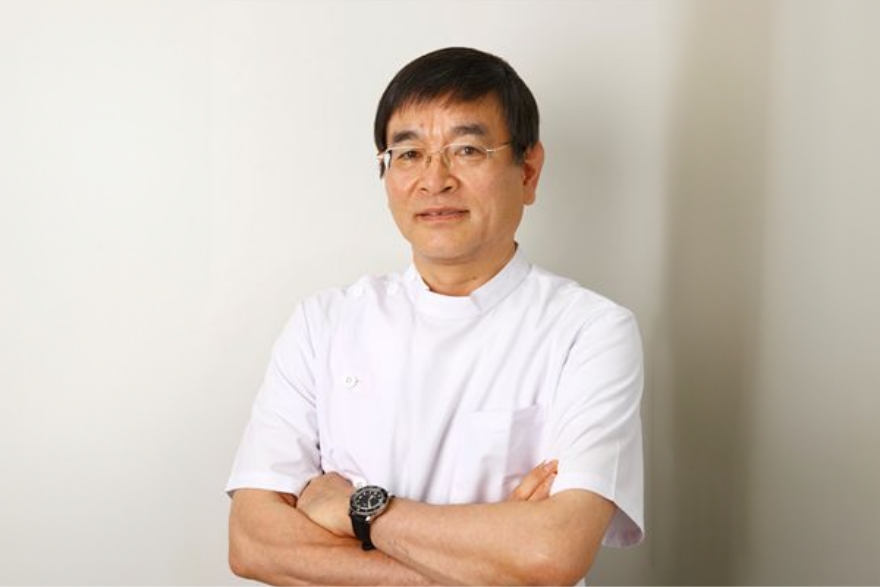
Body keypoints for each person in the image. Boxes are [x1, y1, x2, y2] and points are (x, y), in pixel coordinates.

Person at [225, 46, 644, 586]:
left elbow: (550, 554)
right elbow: (253, 543)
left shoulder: (589, 331)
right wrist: (491, 560)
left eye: (467, 150)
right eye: (408, 154)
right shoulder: (323, 324)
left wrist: (358, 510)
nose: (434, 180)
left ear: (528, 170)